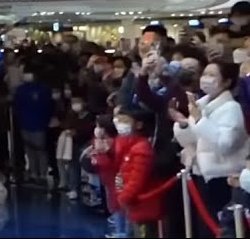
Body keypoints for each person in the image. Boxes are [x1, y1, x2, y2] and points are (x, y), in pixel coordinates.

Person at [173, 61, 250, 238]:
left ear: (227, 81)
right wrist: (184, 124)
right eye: (205, 74)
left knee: (222, 227)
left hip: (225, 177)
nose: (206, 79)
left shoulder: (232, 108)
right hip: (203, 174)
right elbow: (192, 140)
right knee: (204, 227)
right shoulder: (201, 104)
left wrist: (200, 121)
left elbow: (225, 143)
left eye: (213, 75)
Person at [96, 108, 164, 238]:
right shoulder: (124, 144)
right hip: (132, 207)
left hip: (143, 207)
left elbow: (137, 179)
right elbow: (115, 168)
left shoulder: (142, 148)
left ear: (138, 124)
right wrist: (106, 153)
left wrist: (123, 198)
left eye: (125, 121)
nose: (120, 124)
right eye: (118, 120)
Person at [14, 67, 54, 188]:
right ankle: (35, 174)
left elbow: (48, 106)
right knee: (31, 151)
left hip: (36, 124)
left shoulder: (42, 89)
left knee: (38, 150)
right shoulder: (21, 90)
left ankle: (40, 174)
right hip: (29, 124)